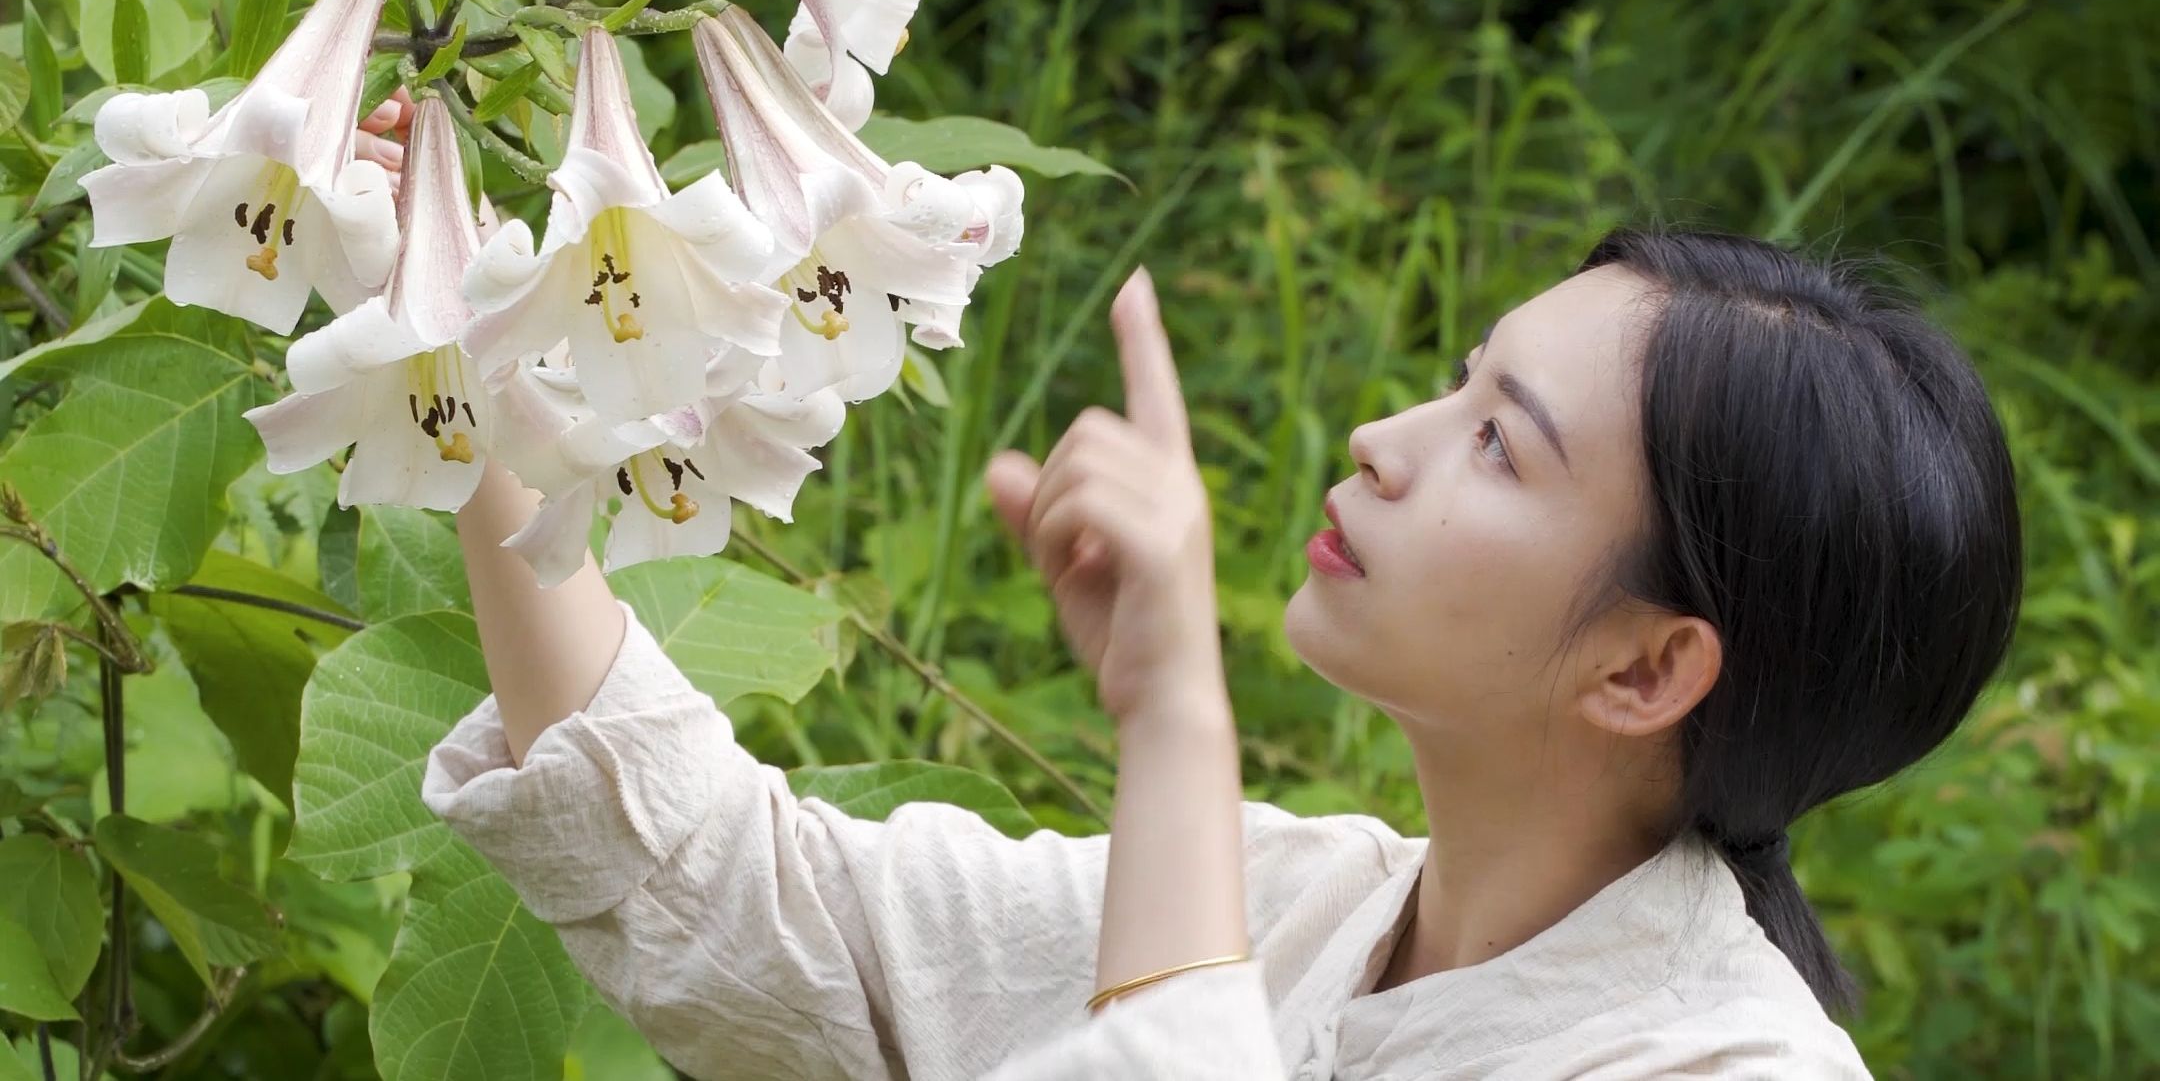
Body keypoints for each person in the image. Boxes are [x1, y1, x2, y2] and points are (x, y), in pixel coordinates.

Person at [419, 224, 2021, 1078]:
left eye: (1500, 446)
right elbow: (754, 911)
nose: (1386, 438)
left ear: (1645, 670)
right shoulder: (1299, 896)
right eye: (1457, 382)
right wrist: (468, 362)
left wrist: (1177, 719)